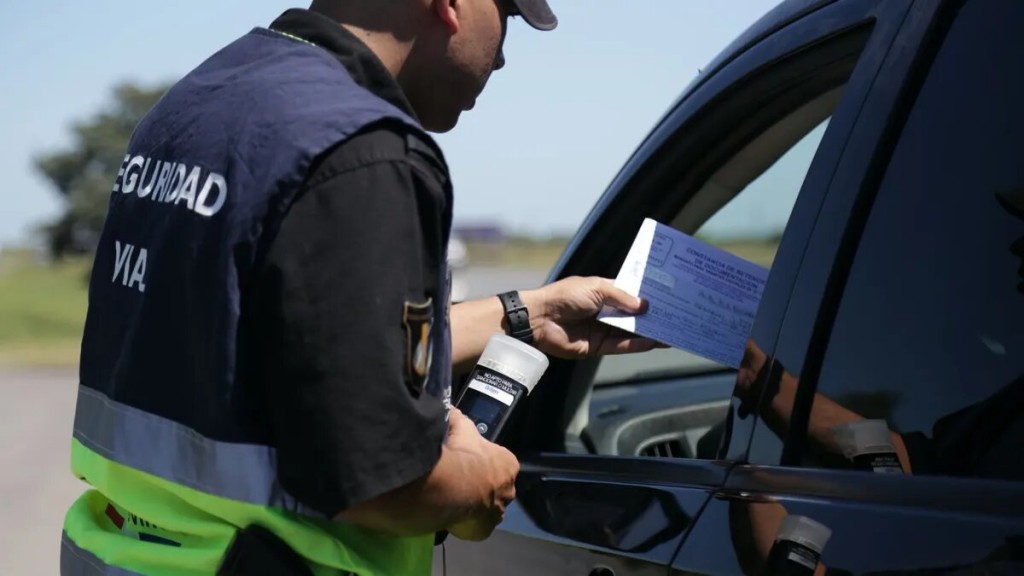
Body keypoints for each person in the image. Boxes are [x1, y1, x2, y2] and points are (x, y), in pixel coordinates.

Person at [59, 2, 660, 575]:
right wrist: (482, 481)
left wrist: (526, 312)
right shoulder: (365, 152)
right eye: (506, 16)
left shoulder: (194, 107)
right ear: (447, 3)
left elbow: (282, 349)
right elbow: (379, 481)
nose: (502, 55)